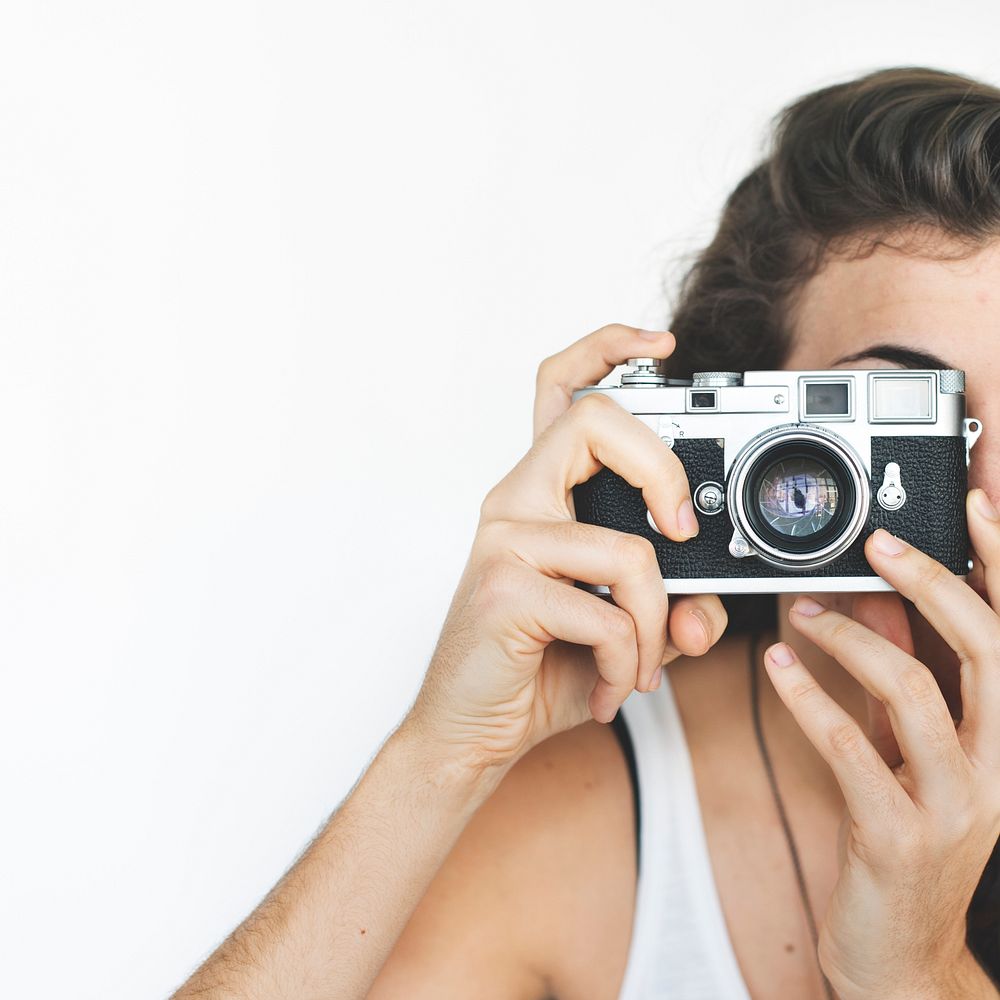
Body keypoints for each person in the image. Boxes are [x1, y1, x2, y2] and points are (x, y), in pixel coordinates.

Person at [172, 66, 1000, 1000]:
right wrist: (446, 754)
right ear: (727, 440)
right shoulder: (579, 823)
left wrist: (917, 973)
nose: (988, 488)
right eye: (914, 422)